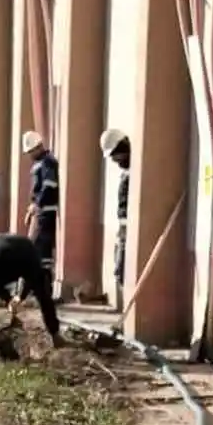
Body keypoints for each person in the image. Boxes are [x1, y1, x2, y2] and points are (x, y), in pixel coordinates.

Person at [22, 130, 60, 276]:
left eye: (31, 151)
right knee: (36, 248)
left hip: (46, 212)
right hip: (40, 211)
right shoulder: (41, 162)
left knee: (42, 250)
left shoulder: (47, 162)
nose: (30, 155)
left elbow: (49, 186)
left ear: (39, 147)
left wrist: (37, 205)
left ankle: (44, 287)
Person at [100, 128, 130, 303]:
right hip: (123, 229)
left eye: (114, 155)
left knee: (122, 267)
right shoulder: (126, 171)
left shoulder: (135, 170)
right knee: (119, 269)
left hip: (128, 230)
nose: (114, 160)